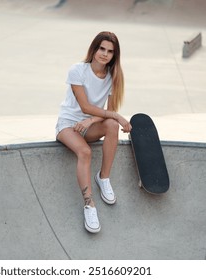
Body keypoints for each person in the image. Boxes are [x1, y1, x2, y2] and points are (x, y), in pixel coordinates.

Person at [55, 31, 132, 233]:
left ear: (114, 55)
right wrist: (114, 115)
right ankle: (89, 204)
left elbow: (103, 115)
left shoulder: (113, 77)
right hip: (68, 125)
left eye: (110, 51)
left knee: (112, 126)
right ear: (94, 49)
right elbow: (85, 106)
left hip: (89, 126)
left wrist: (96, 120)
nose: (104, 54)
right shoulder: (77, 71)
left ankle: (103, 177)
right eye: (101, 49)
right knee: (85, 152)